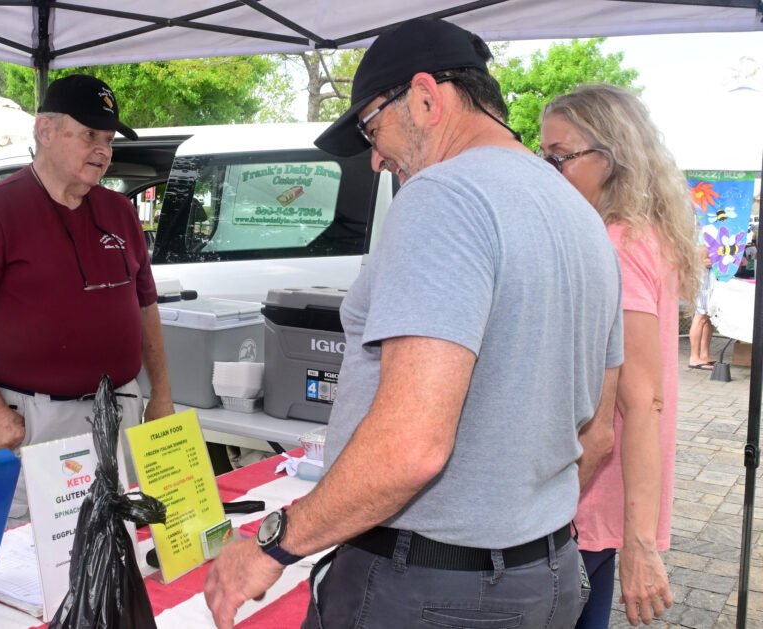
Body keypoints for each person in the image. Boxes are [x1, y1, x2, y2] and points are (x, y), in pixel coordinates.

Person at [205, 18, 623, 629]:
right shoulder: (579, 214)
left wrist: (274, 543)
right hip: (547, 574)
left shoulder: (442, 196)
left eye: (373, 128)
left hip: (429, 586)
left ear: (427, 98)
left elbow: (412, 445)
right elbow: (599, 433)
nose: (375, 158)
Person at [0, 74, 174, 526]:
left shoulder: (120, 212)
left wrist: (161, 395)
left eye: (108, 140)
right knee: (28, 546)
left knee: (116, 533)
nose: (103, 151)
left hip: (119, 408)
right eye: (89, 136)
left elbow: (146, 308)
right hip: (32, 417)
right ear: (45, 131)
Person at [541, 84, 699, 627]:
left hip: (587, 494)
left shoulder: (616, 244)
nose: (549, 170)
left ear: (610, 157)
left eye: (560, 157)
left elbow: (641, 398)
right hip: (599, 496)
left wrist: (640, 542)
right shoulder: (642, 234)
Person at [688, 250, 716, 369]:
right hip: (704, 280)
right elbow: (702, 261)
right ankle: (694, 357)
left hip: (711, 279)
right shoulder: (705, 233)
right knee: (700, 316)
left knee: (708, 317)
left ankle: (704, 355)